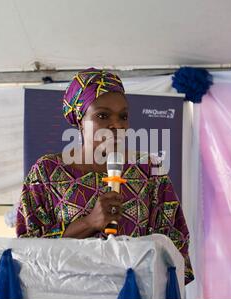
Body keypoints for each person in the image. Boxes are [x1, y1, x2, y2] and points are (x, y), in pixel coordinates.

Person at [16, 68, 194, 284]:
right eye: (102, 115)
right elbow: (26, 251)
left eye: (123, 116)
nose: (117, 125)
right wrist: (89, 223)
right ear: (80, 120)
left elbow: (176, 244)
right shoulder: (46, 173)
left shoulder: (149, 171)